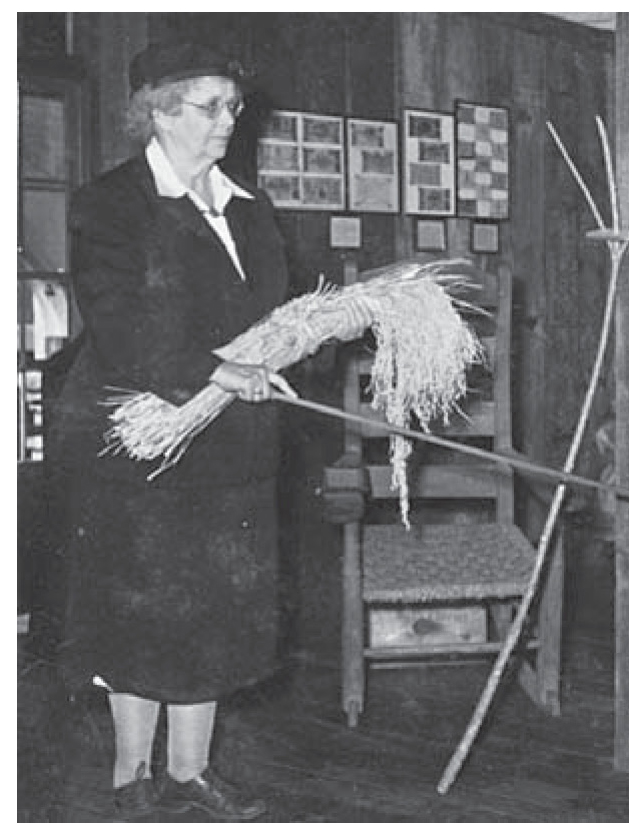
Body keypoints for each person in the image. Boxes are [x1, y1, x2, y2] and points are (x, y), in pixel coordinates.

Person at [52, 41, 297, 822]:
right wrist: (216, 368)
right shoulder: (109, 202)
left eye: (233, 104)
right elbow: (121, 323)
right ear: (158, 110)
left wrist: (283, 350)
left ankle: (190, 772)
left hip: (230, 443)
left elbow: (271, 314)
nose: (230, 119)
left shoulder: (250, 208)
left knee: (211, 614)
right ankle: (133, 775)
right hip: (139, 439)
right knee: (143, 611)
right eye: (210, 105)